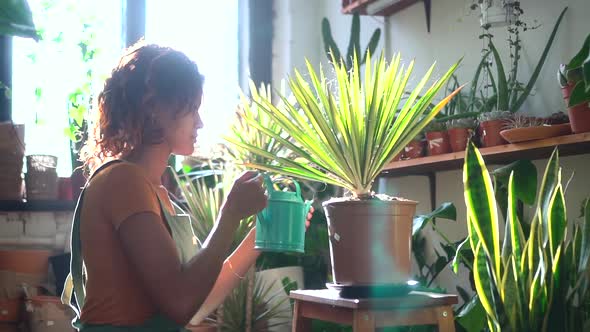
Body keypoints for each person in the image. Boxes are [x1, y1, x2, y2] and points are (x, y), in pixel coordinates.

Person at [63, 42, 313, 331]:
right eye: (192, 109)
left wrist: (263, 234)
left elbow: (199, 301)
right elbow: (180, 303)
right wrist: (229, 214)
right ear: (155, 109)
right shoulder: (123, 181)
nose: (201, 123)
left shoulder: (155, 191)